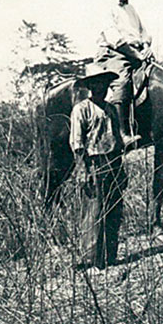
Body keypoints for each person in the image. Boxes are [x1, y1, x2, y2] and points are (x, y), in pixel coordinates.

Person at [69, 65, 128, 269]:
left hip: (114, 161)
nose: (100, 87)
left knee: (114, 210)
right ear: (90, 86)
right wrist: (83, 170)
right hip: (94, 163)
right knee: (93, 212)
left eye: (103, 83)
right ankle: (90, 260)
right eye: (95, 83)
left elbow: (118, 138)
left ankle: (110, 257)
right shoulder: (82, 109)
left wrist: (122, 165)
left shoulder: (111, 108)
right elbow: (77, 143)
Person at [97, 0, 151, 149]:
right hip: (114, 54)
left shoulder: (131, 9)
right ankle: (123, 133)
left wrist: (145, 46)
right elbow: (115, 38)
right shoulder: (106, 7)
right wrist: (136, 54)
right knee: (122, 80)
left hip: (136, 53)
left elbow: (143, 32)